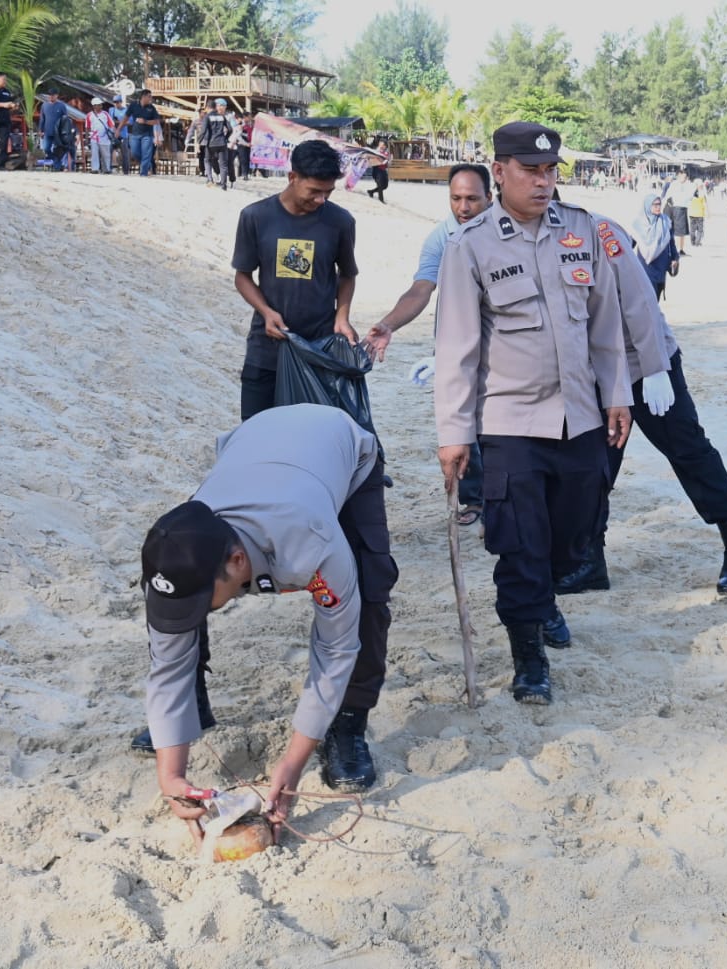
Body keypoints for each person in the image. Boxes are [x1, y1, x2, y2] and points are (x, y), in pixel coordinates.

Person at [434, 122, 634, 706]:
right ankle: (529, 657)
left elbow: (605, 322)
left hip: (581, 419)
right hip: (510, 423)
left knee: (573, 540)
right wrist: (454, 433)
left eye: (550, 171)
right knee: (520, 545)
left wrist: (617, 391)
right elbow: (457, 348)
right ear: (500, 172)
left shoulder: (581, 232)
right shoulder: (470, 245)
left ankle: (543, 601)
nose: (543, 182)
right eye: (531, 171)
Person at [137, 405, 398, 835]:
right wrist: (171, 774)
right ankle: (191, 713)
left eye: (203, 597)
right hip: (253, 442)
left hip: (340, 446)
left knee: (369, 591)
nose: (191, 610)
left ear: (239, 561)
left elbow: (335, 649)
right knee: (189, 600)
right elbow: (166, 665)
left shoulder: (310, 544)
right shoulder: (174, 549)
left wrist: (292, 765)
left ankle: (349, 725)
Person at [555, 212, 727, 597]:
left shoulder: (596, 229)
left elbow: (639, 297)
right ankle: (590, 561)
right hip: (598, 373)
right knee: (595, 466)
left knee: (688, 450)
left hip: (644, 365)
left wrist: (653, 367)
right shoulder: (518, 238)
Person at [364, 163, 494, 523]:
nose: (463, 207)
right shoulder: (443, 237)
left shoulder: (505, 230)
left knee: (498, 426)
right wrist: (389, 324)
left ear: (490, 198)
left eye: (472, 199)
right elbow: (422, 288)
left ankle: (500, 499)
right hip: (457, 343)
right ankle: (474, 499)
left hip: (503, 345)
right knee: (461, 421)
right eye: (456, 199)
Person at [231, 140, 359, 420]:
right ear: (292, 177)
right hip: (266, 350)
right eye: (314, 191)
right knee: (255, 434)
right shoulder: (256, 217)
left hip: (319, 352)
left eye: (328, 192)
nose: (321, 200)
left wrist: (342, 317)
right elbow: (243, 276)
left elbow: (348, 274)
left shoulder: (340, 222)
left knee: (312, 438)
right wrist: (266, 312)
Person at [632, 193, 680, 299]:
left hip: (661, 268)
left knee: (656, 301)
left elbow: (671, 243)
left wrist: (675, 258)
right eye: (655, 205)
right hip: (645, 269)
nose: (658, 207)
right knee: (647, 303)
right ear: (648, 206)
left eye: (659, 204)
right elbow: (629, 244)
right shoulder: (639, 224)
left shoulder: (666, 222)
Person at [123, 90, 161, 177]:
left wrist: (145, 121)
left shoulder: (152, 108)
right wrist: (119, 128)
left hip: (147, 135)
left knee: (146, 154)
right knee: (134, 153)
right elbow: (126, 117)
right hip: (135, 134)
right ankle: (148, 165)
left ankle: (143, 173)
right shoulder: (133, 105)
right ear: (143, 96)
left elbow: (156, 121)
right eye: (149, 96)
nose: (151, 98)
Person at [204, 98, 234, 190]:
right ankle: (221, 183)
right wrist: (225, 138)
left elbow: (203, 131)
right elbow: (230, 129)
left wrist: (200, 141)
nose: (220, 108)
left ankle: (212, 180)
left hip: (217, 143)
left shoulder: (209, 117)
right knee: (220, 163)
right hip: (221, 143)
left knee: (210, 160)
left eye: (222, 106)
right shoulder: (220, 116)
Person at [39, 91, 72, 172]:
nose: (51, 96)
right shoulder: (44, 105)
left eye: (53, 95)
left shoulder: (61, 105)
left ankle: (58, 167)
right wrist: (40, 130)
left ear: (57, 95)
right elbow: (42, 119)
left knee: (59, 150)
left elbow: (65, 119)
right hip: (47, 131)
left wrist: (65, 132)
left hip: (58, 133)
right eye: (50, 95)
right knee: (46, 148)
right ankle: (56, 162)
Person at [663, 170, 692, 255]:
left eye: (685, 177)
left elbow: (690, 196)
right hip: (674, 207)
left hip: (683, 207)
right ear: (679, 175)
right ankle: (674, 249)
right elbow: (667, 195)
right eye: (683, 176)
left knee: (682, 231)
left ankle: (681, 249)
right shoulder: (674, 184)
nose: (685, 178)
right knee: (675, 230)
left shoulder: (688, 185)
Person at [85, 95, 114, 174]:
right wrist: (87, 138)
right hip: (94, 137)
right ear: (94, 106)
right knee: (94, 153)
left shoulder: (105, 114)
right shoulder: (89, 115)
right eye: (98, 105)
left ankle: (107, 169)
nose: (101, 106)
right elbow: (87, 127)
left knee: (106, 154)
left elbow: (111, 125)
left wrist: (111, 134)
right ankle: (95, 168)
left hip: (104, 137)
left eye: (101, 105)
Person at [364, 136, 390, 203]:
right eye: (381, 144)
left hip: (384, 171)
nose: (382, 146)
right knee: (380, 185)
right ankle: (381, 200)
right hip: (377, 170)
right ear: (379, 144)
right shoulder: (375, 151)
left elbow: (385, 159)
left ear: (386, 146)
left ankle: (371, 191)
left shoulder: (386, 152)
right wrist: (375, 156)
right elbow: (368, 156)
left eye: (383, 145)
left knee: (385, 186)